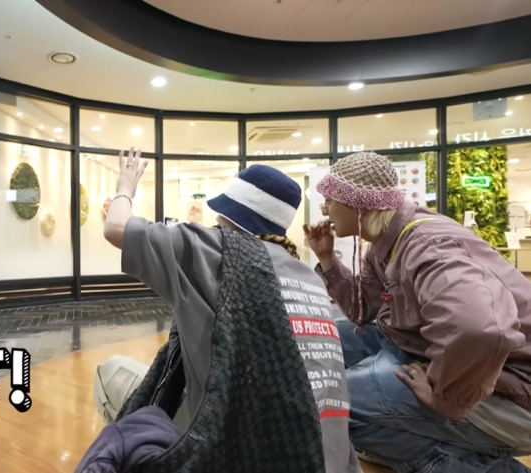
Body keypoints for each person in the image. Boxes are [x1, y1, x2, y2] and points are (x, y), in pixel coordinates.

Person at [82, 148, 360, 472]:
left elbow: (115, 227)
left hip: (237, 453)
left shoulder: (217, 248)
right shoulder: (309, 278)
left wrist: (125, 187)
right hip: (326, 460)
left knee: (111, 374)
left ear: (229, 216)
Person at [304, 151, 531, 472]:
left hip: (506, 393)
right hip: (435, 355)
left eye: (329, 199)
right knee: (325, 338)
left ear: (358, 204)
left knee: (334, 405)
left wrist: (445, 396)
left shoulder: (429, 245)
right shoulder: (388, 240)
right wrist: (327, 259)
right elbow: (362, 310)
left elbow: (481, 330)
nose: (324, 209)